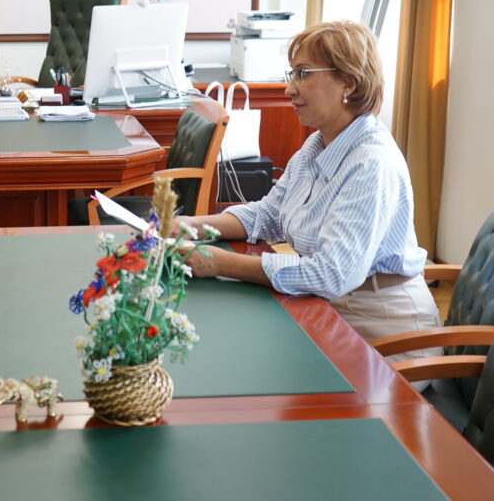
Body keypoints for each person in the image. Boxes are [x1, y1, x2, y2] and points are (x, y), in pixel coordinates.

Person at [179, 20, 440, 364]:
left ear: (349, 82)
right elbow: (268, 215)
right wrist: (191, 225)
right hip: (330, 308)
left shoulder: (370, 162)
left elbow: (331, 274)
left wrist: (218, 262)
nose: (289, 89)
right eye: (292, 74)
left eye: (303, 74)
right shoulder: (317, 145)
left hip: (384, 330)